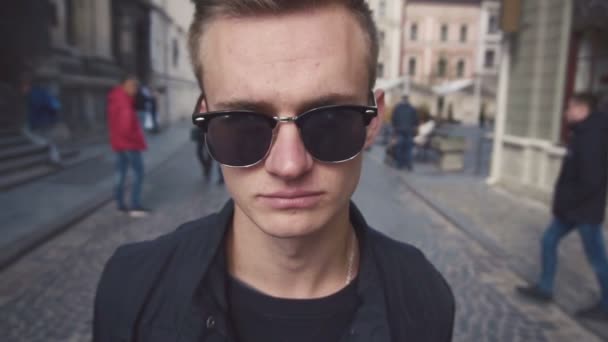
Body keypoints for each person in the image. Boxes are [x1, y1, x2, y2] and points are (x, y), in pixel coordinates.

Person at [94, 1, 454, 341]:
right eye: (241, 123)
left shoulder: (424, 297)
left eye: (330, 120)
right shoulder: (129, 288)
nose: (289, 165)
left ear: (372, 122)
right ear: (205, 121)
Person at [516, 93, 608, 321]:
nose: (566, 113)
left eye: (570, 108)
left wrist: (565, 204)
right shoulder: (584, 131)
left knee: (597, 259)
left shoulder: (593, 135)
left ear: (582, 109)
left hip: (584, 210)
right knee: (548, 240)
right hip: (573, 209)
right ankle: (545, 288)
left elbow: (591, 179)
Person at [106, 75, 149, 218]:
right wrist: (138, 140)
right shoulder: (124, 102)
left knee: (121, 173)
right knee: (138, 173)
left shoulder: (115, 97)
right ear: (123, 85)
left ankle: (119, 203)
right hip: (129, 144)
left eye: (136, 86)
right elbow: (126, 127)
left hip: (119, 143)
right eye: (132, 86)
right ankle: (135, 205)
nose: (135, 89)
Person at [391, 94, 418, 170]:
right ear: (408, 99)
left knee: (399, 148)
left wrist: (395, 129)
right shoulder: (412, 108)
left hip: (399, 130)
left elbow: (394, 119)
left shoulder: (397, 108)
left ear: (402, 99)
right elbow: (416, 121)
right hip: (409, 131)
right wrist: (413, 127)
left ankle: (400, 164)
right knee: (408, 148)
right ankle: (408, 164)